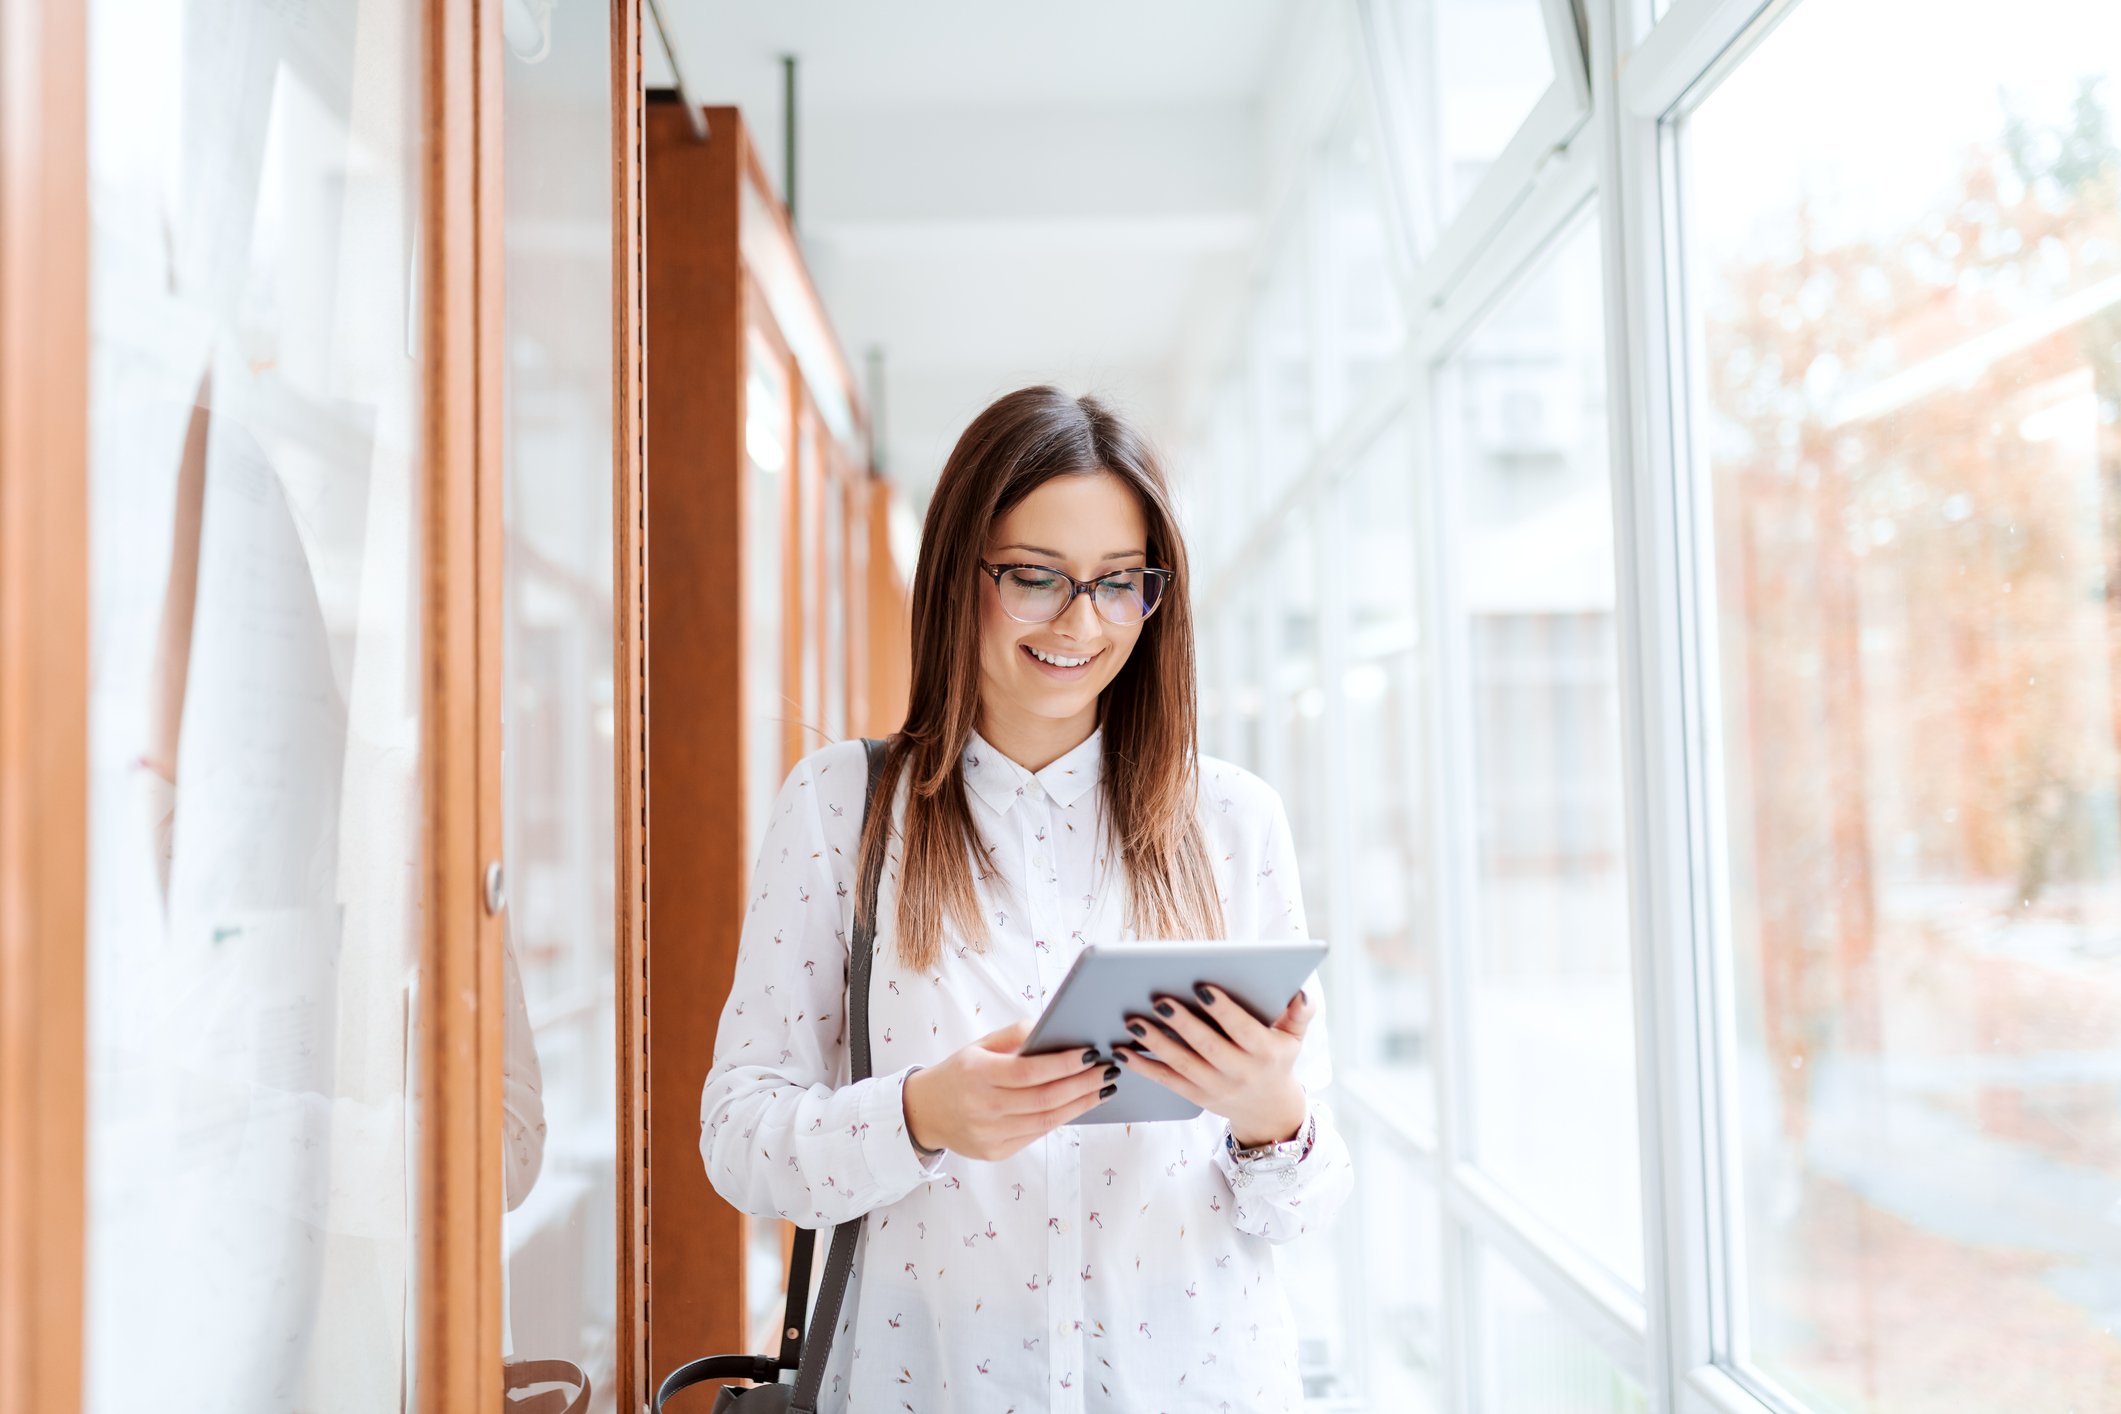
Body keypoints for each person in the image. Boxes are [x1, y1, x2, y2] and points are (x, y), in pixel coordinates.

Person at [701, 385, 1353, 1410]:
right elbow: (740, 1139)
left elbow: (1305, 1211)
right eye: (1035, 578)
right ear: (960, 573)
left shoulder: (1231, 819)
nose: (1080, 622)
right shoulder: (841, 808)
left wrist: (1271, 1113)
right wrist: (922, 1113)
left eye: (1118, 582)